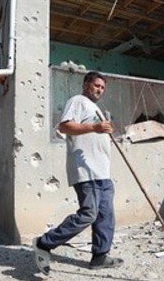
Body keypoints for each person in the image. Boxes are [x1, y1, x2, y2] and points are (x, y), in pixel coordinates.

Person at [32, 71, 124, 275]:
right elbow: (65, 127)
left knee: (105, 216)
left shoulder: (96, 108)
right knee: (89, 214)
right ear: (85, 84)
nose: (99, 90)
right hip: (86, 171)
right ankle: (43, 243)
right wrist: (94, 127)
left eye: (102, 88)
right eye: (96, 85)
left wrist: (103, 130)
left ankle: (100, 256)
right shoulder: (78, 101)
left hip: (102, 171)